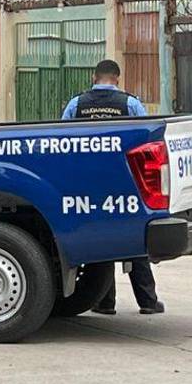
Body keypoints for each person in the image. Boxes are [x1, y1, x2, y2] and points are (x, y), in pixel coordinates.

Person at [61, 59, 163, 315]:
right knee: (134, 239)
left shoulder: (77, 104)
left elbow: (62, 139)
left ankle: (105, 302)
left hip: (88, 182)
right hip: (126, 182)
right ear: (117, 78)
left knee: (101, 238)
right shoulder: (130, 103)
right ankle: (148, 302)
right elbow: (147, 139)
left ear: (94, 77)